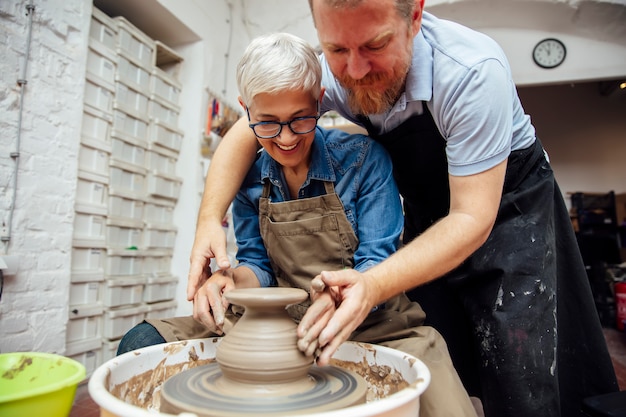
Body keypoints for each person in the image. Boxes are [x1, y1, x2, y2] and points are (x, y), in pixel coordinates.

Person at [187, 1, 619, 416]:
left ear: (414, 17)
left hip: (509, 210)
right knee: (445, 347)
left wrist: (371, 285)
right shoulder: (329, 76)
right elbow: (249, 128)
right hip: (428, 212)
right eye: (337, 49)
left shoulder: (471, 72)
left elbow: (470, 218)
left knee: (519, 368)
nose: (354, 69)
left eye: (374, 46)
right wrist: (209, 221)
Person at [118, 32, 479, 416]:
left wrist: (344, 297)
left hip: (371, 317)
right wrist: (228, 282)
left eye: (299, 120)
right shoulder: (249, 177)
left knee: (443, 401)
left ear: (320, 102)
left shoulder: (364, 161)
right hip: (279, 319)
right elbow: (258, 266)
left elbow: (377, 259)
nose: (287, 138)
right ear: (247, 112)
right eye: (268, 124)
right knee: (140, 343)